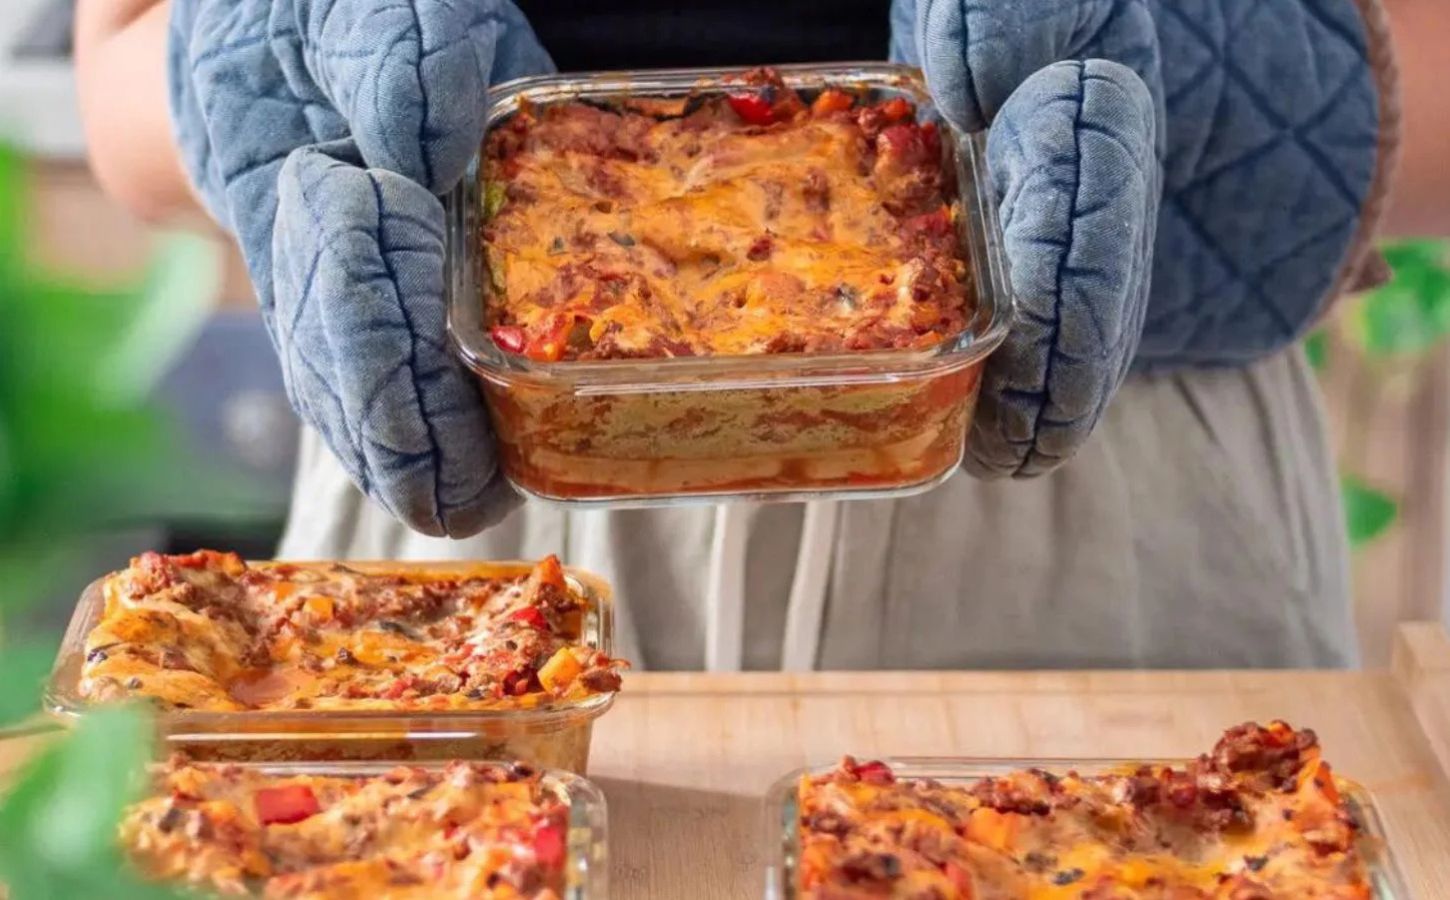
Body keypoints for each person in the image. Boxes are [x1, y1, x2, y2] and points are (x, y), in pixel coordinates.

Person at [76, 0, 1408, 671]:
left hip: (1105, 497)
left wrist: (1213, 100)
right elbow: (120, 75)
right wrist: (261, 70)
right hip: (469, 477)